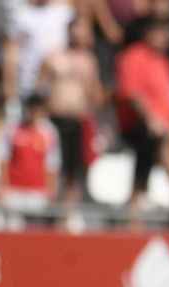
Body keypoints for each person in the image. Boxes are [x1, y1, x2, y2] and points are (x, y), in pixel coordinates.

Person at [115, 17, 169, 214]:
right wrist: (152, 119)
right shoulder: (133, 56)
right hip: (136, 121)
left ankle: (150, 191)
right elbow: (131, 94)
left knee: (163, 139)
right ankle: (146, 192)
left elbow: (167, 101)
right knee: (152, 137)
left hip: (160, 124)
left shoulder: (164, 62)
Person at [38, 13, 101, 211]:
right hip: (55, 119)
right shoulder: (54, 57)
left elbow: (95, 94)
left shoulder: (90, 61)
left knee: (73, 172)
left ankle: (68, 214)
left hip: (77, 120)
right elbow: (40, 87)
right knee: (53, 169)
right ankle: (49, 211)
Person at [0, 92, 59, 215]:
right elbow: (3, 159)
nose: (34, 112)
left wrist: (49, 190)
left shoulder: (49, 132)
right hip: (14, 190)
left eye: (37, 109)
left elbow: (52, 164)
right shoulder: (12, 128)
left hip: (37, 192)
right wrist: (2, 187)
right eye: (32, 108)